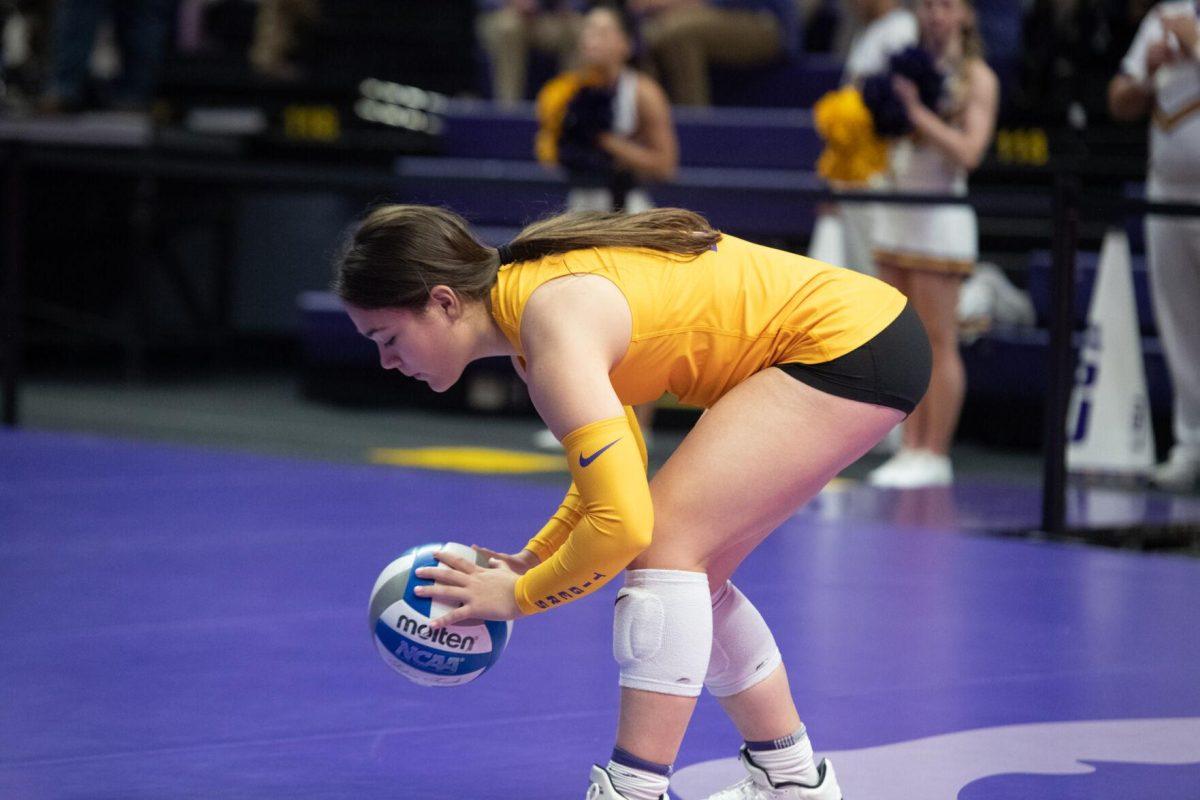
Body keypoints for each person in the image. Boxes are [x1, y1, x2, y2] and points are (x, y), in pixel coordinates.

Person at [333, 204, 930, 800]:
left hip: (846, 346)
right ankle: (793, 782)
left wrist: (517, 597)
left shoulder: (550, 328)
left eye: (387, 337)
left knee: (664, 553)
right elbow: (614, 473)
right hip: (866, 337)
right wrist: (528, 559)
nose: (386, 360)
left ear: (442, 302)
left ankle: (632, 790)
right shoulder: (532, 309)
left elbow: (621, 528)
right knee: (696, 574)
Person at [532, 2, 679, 451]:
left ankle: (640, 428)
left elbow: (665, 164)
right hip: (581, 212)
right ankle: (581, 421)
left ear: (624, 43)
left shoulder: (642, 91)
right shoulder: (565, 92)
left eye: (601, 31)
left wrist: (609, 143)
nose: (590, 40)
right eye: (587, 30)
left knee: (633, 324)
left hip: (625, 216)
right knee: (575, 319)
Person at [867, 0, 998, 488]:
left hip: (940, 217)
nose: (935, 15)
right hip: (896, 209)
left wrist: (916, 113)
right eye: (926, 6)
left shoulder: (977, 78)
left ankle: (934, 451)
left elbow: (970, 152)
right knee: (899, 337)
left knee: (938, 341)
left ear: (965, 14)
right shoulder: (901, 62)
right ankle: (907, 447)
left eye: (945, 6)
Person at [1108, 1, 1200, 492]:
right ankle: (1190, 445)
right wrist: (1148, 73)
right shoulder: (1166, 13)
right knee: (1179, 322)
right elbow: (1118, 99)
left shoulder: (1184, 25)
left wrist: (1195, 44)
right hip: (1166, 190)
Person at [633, 0, 797, 107]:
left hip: (765, 20)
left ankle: (695, 124)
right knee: (645, 35)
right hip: (703, 15)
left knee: (680, 34)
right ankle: (650, 122)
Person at [476, 0, 585, 107]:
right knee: (509, 28)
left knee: (578, 29)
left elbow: (578, 4)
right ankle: (507, 109)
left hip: (548, 17)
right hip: (504, 14)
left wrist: (565, 4)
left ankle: (569, 106)